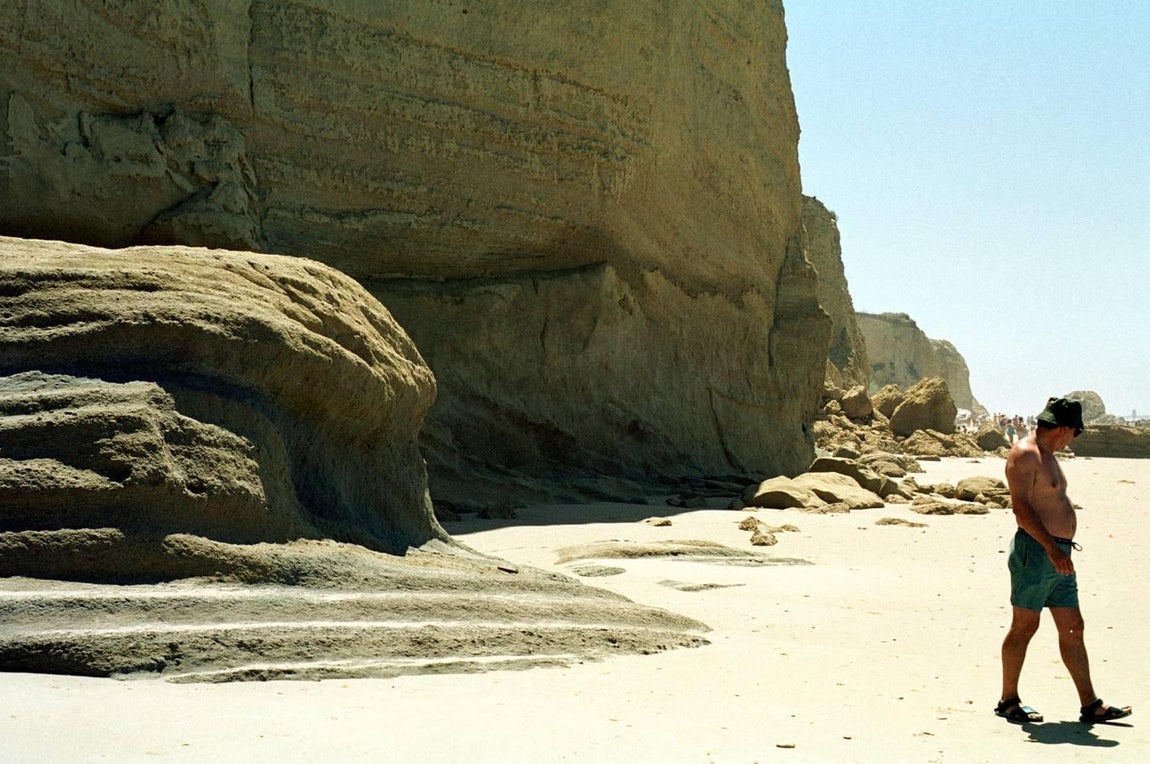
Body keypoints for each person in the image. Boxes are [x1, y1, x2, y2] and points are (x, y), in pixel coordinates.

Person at [996, 397, 1132, 724]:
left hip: (1060, 555)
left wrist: (1060, 549)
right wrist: (1051, 548)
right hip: (1037, 552)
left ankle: (1090, 705)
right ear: (1065, 429)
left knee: (1073, 627)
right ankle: (1008, 699)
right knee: (1025, 625)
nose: (1074, 438)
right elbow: (1021, 510)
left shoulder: (1049, 457)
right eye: (1074, 432)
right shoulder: (1025, 455)